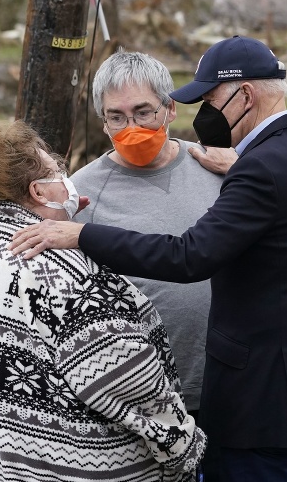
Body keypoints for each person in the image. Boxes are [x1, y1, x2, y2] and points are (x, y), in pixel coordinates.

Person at [10, 36, 287, 482]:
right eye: (115, 116)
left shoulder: (250, 168)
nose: (206, 113)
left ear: (243, 95)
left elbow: (189, 256)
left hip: (257, 403)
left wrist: (82, 235)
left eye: (210, 100)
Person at [0, 120, 206, 481]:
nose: (66, 178)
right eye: (57, 170)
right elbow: (129, 380)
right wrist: (183, 449)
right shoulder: (65, 272)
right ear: (38, 191)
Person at [70, 49, 223, 423]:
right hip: (139, 398)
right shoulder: (82, 192)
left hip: (226, 381)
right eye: (116, 117)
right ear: (102, 122)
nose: (131, 128)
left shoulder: (215, 166)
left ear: (170, 109)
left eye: (143, 112)